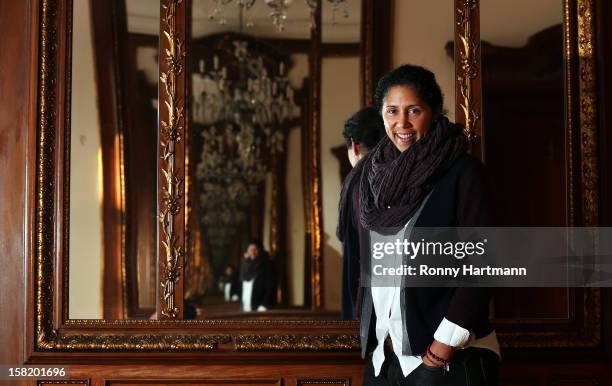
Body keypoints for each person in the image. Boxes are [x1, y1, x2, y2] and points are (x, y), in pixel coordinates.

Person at [349, 64, 500, 385]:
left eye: (413, 110)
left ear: (433, 112)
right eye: (392, 111)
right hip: (385, 362)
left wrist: (440, 350)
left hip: (447, 361)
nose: (401, 122)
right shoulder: (374, 177)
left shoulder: (463, 172)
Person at [337, 107, 385, 320]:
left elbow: (359, 255)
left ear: (354, 145)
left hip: (371, 309)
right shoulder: (397, 175)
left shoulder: (358, 184)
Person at [238, 240, 276, 312]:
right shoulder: (244, 264)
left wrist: (264, 304)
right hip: (245, 306)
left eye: (255, 249)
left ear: (260, 251)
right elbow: (241, 285)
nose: (252, 252)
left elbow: (270, 286)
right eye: (250, 250)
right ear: (247, 251)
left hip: (260, 307)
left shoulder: (266, 265)